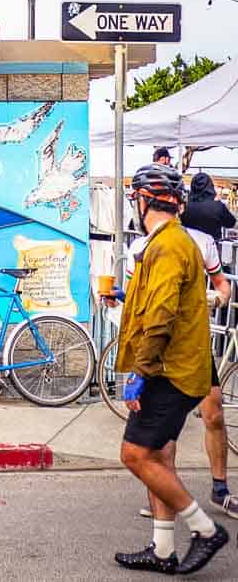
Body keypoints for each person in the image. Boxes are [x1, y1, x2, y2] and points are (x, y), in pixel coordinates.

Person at [113, 163, 228, 575]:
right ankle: (162, 550)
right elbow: (161, 297)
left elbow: (161, 316)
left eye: (136, 199)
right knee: (159, 453)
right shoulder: (167, 243)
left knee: (134, 454)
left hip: (168, 369)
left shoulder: (167, 246)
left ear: (145, 201)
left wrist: (139, 373)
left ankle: (204, 528)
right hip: (173, 366)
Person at [117, 214, 235, 521]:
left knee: (214, 413)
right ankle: (164, 503)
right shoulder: (141, 246)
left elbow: (222, 284)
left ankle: (219, 490)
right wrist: (119, 297)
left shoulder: (200, 242)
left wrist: (218, 300)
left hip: (191, 345)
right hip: (160, 350)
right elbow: (136, 295)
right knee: (160, 440)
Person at [181, 172, 236, 241]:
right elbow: (230, 223)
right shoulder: (217, 206)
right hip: (212, 248)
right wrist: (219, 203)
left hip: (190, 247)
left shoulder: (184, 207)